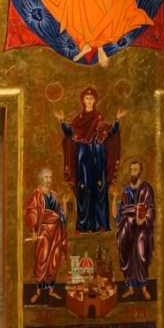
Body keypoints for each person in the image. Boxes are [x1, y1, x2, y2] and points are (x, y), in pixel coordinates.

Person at [55, 87, 125, 233]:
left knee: (99, 187)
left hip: (98, 154)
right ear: (83, 100)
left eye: (91, 98)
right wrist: (62, 121)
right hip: (83, 156)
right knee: (83, 187)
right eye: (86, 98)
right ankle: (82, 225)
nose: (89, 101)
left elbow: (110, 132)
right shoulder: (79, 119)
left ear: (95, 101)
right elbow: (70, 133)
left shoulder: (98, 117)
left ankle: (101, 224)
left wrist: (117, 120)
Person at [112, 159, 155, 300]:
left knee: (141, 255)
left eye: (135, 169)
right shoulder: (125, 190)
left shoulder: (146, 188)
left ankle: (143, 288)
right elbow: (117, 214)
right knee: (126, 256)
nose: (133, 172)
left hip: (141, 228)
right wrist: (114, 198)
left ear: (140, 171)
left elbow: (151, 208)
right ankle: (130, 288)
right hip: (126, 228)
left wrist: (144, 219)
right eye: (131, 169)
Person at [25, 167, 69, 303]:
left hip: (56, 231)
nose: (48, 180)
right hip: (43, 231)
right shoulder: (36, 195)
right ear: (41, 179)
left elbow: (62, 216)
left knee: (54, 259)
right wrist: (33, 231)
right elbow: (31, 214)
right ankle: (38, 291)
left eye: (50, 177)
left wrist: (64, 203)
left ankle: (51, 290)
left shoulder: (55, 195)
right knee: (42, 259)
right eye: (46, 177)